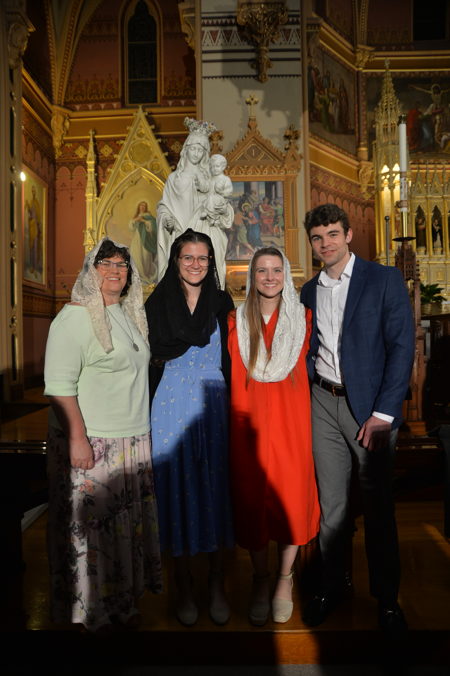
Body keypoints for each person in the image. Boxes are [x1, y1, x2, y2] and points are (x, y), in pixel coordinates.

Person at [300, 204, 415, 638]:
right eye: (317, 237)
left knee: (378, 508)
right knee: (332, 509)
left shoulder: (382, 279)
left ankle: (387, 599)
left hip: (370, 410)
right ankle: (334, 586)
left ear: (348, 235)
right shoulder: (308, 291)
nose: (325, 243)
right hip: (322, 403)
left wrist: (384, 414)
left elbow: (402, 346)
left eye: (333, 234)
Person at [44, 237, 162, 633]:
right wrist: (78, 438)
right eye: (105, 263)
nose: (115, 270)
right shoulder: (74, 318)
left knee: (122, 532)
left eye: (121, 265)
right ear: (89, 270)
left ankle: (120, 603)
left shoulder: (127, 313)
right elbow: (59, 386)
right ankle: (88, 611)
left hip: (131, 439)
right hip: (95, 442)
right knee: (93, 533)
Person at [145, 229, 235, 627]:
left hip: (213, 402)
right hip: (169, 402)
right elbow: (146, 360)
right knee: (175, 490)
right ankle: (182, 583)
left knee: (215, 489)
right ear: (175, 261)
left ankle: (216, 582)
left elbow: (232, 357)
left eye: (202, 258)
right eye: (188, 258)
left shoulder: (222, 301)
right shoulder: (157, 302)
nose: (195, 264)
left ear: (210, 262)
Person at [228, 247, 320, 626]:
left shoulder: (303, 319)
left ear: (286, 274)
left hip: (290, 422)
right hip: (249, 424)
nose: (269, 277)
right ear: (252, 276)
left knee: (291, 498)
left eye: (276, 270)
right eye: (262, 270)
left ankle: (284, 578)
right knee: (252, 499)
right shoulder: (234, 321)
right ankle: (260, 577)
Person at [197, 153, 234, 288]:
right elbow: (204, 190)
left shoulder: (225, 179)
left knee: (217, 257)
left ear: (223, 167)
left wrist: (222, 193)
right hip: (208, 212)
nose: (214, 169)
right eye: (212, 166)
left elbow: (228, 192)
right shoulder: (210, 179)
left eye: (217, 166)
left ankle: (217, 287)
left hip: (219, 204)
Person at [128, 200, 157, 285]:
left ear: (146, 207)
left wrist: (144, 221)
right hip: (137, 239)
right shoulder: (137, 216)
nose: (142, 207)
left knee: (145, 257)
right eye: (141, 205)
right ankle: (138, 276)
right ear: (138, 207)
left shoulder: (149, 217)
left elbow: (153, 228)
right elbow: (131, 227)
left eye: (144, 206)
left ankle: (145, 276)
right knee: (136, 256)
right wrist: (136, 220)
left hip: (146, 240)